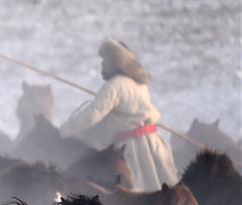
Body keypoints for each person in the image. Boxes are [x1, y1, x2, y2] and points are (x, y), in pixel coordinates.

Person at [61, 38, 179, 192]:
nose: (102, 65)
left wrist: (65, 130)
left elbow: (93, 114)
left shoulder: (115, 85)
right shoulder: (139, 84)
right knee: (161, 191)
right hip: (153, 143)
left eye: (105, 61)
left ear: (115, 62)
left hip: (132, 149)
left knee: (137, 194)